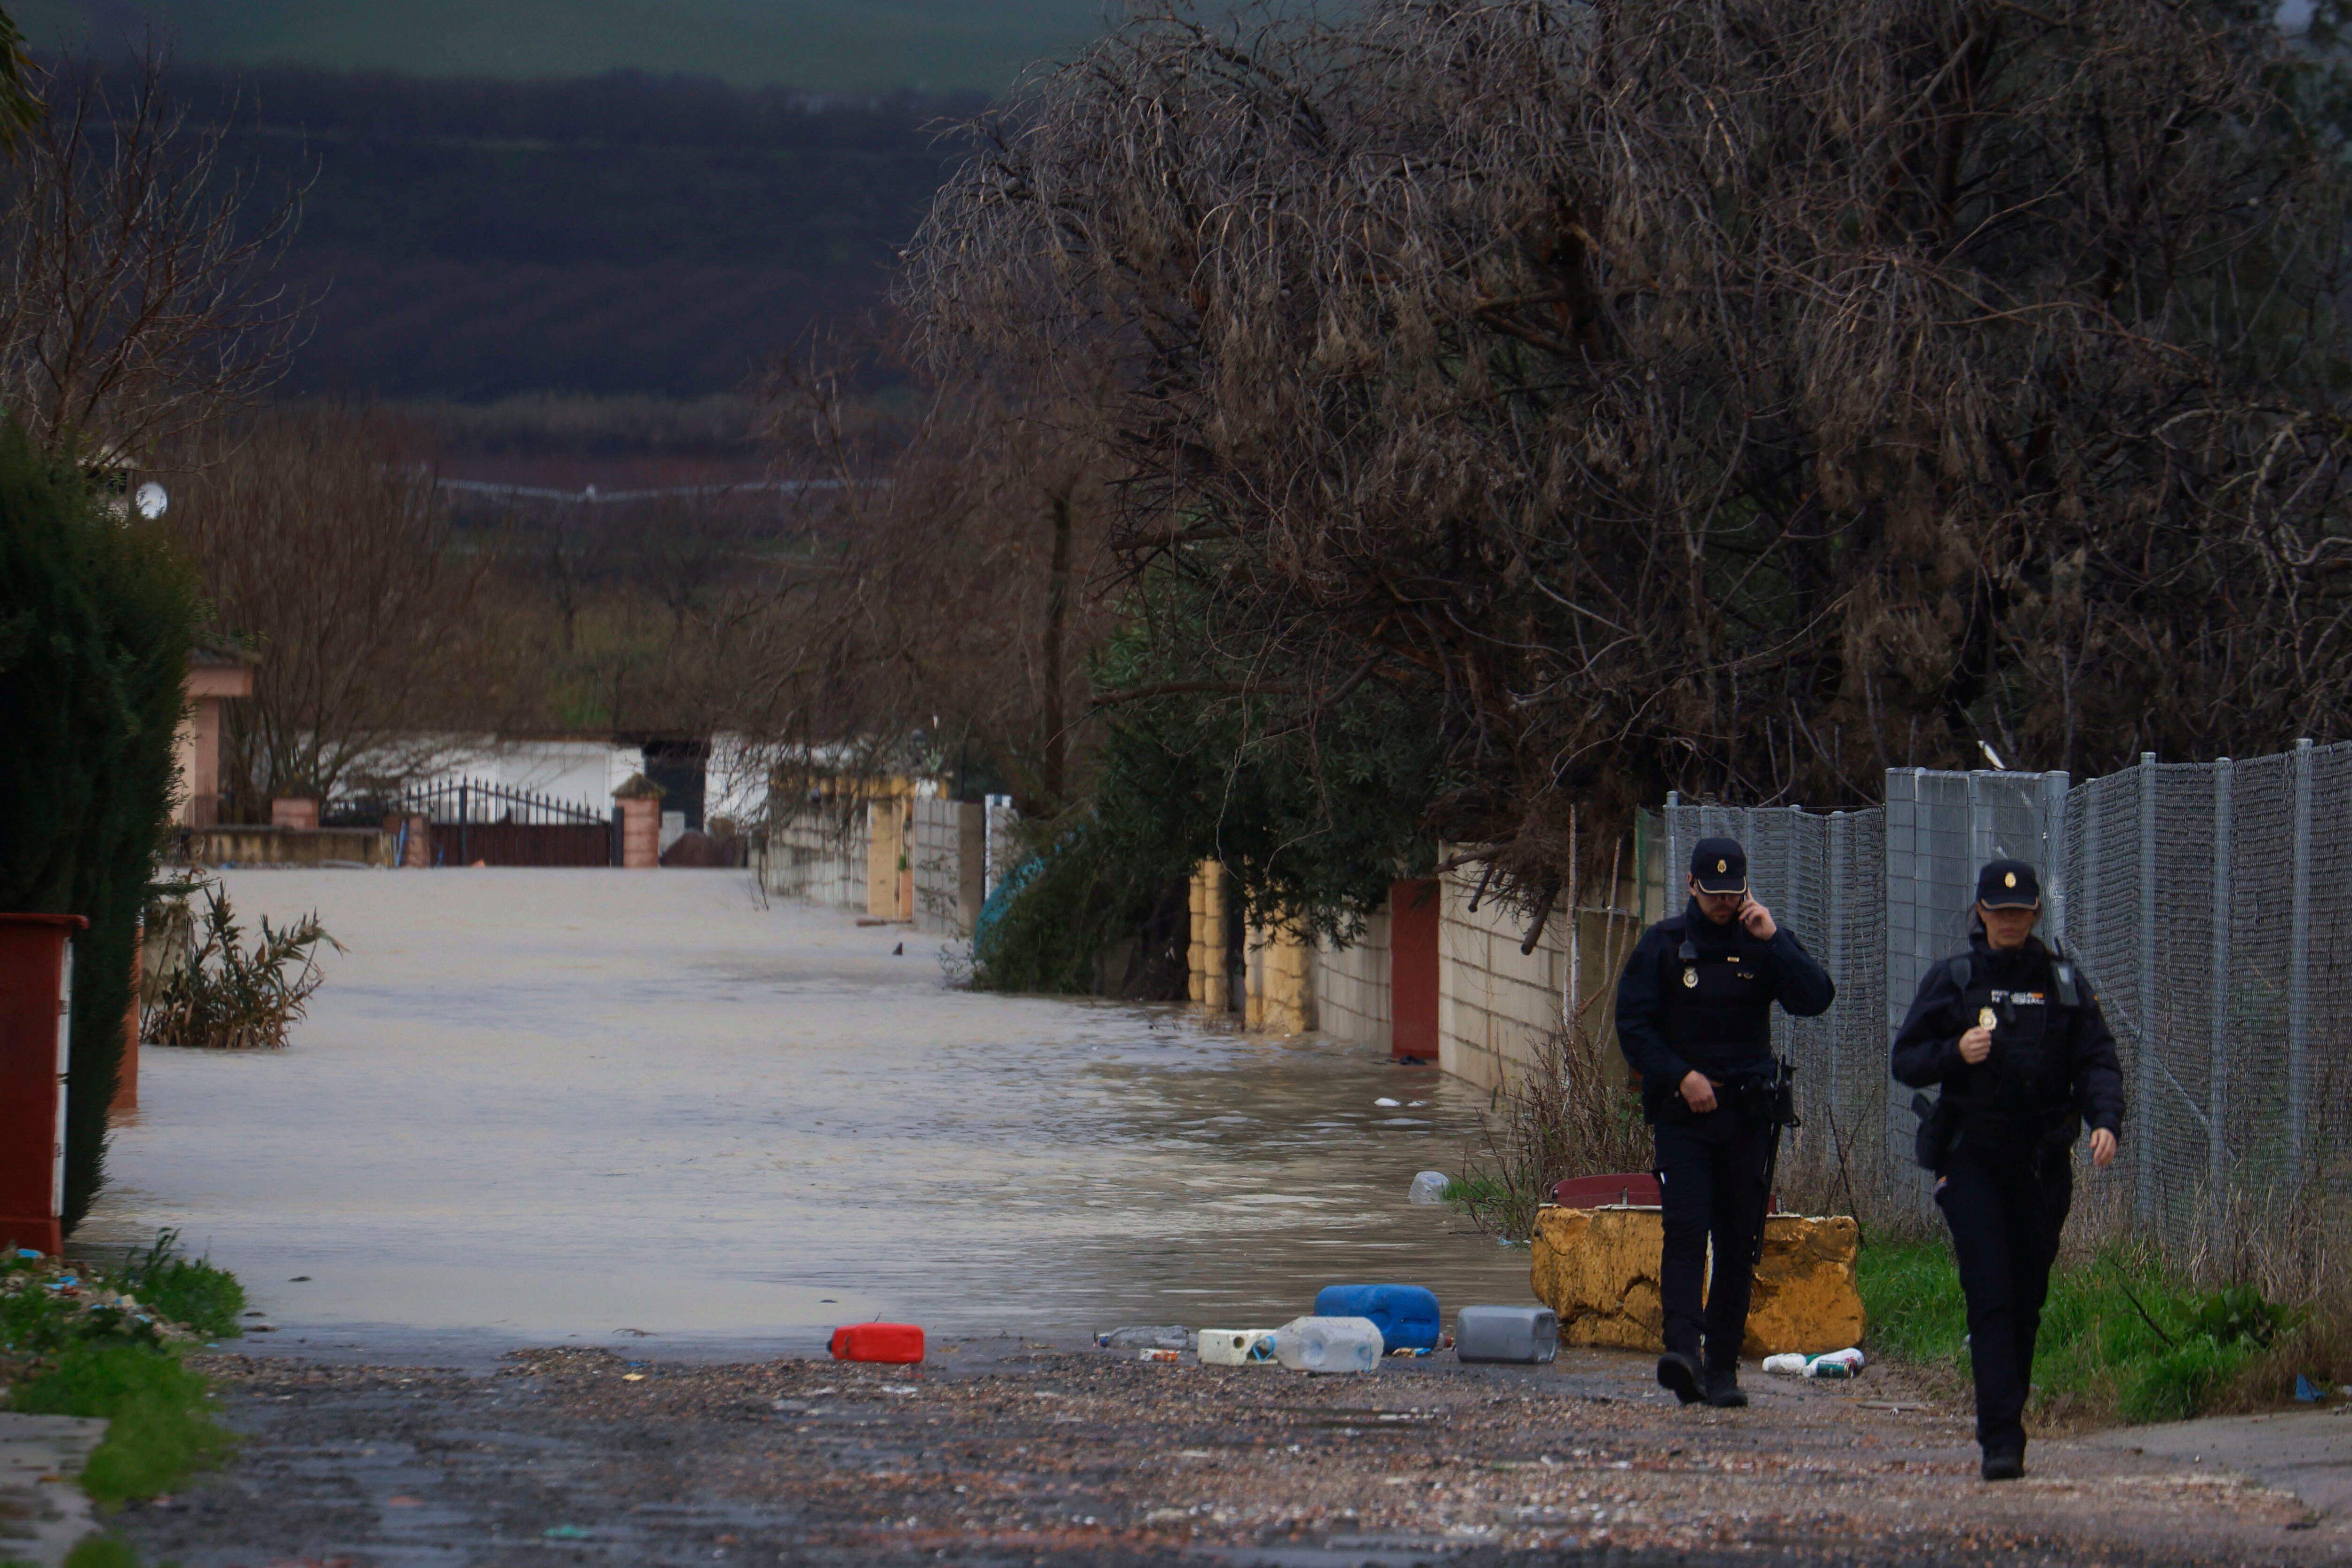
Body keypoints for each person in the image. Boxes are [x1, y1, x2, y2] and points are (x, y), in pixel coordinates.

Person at [1891, 859, 2123, 1482]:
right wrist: (1954, 1051)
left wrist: (2106, 1119)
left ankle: (2007, 1413)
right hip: (1974, 1157)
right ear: (1981, 914)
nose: (2011, 922)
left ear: (2036, 916)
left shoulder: (2064, 984)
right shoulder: (1956, 979)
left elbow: (2098, 1060)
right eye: (2000, 912)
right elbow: (1906, 1058)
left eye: (2022, 913)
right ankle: (2001, 1437)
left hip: (2043, 1162)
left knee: (2025, 1299)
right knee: (1990, 1291)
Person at [1615, 836, 1836, 1407]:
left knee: (1737, 1243)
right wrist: (1679, 1074)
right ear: (1691, 885)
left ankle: (1721, 1370)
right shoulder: (1664, 946)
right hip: (1683, 1116)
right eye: (1711, 892)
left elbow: (1815, 998)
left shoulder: (1759, 942)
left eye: (1731, 892)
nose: (1721, 902)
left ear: (1744, 889)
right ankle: (1682, 1354)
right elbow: (1634, 1029)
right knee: (1686, 1232)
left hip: (1745, 1118)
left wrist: (1775, 939)